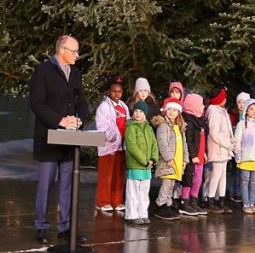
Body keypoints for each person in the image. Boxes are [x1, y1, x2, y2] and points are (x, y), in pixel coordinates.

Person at [29, 35, 88, 245]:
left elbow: (82, 102)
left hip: (69, 140)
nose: (77, 55)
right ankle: (41, 227)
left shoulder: (76, 74)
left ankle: (65, 227)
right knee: (45, 184)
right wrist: (60, 120)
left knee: (67, 185)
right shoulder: (43, 71)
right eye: (74, 51)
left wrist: (79, 119)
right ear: (62, 50)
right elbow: (37, 104)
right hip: (48, 138)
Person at [94, 78, 128, 212]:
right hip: (109, 147)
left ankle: (117, 201)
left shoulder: (124, 106)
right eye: (114, 91)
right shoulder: (104, 107)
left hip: (122, 146)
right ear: (109, 92)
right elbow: (102, 126)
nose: (116, 94)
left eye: (119, 92)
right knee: (106, 175)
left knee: (118, 176)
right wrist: (113, 137)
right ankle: (103, 202)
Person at [153, 99, 187, 220]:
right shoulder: (163, 126)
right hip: (168, 162)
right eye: (169, 109)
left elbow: (184, 145)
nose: (172, 112)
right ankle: (160, 204)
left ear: (178, 112)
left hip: (177, 162)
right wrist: (168, 158)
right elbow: (162, 143)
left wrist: (185, 160)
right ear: (165, 110)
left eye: (175, 110)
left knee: (171, 185)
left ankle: (167, 205)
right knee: (166, 185)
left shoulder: (178, 127)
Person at [125, 101, 158, 225]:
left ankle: (143, 214)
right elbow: (132, 146)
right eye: (136, 111)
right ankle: (132, 215)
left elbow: (155, 144)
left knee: (144, 192)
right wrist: (145, 161)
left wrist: (153, 159)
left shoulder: (149, 128)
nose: (137, 113)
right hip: (136, 165)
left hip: (147, 167)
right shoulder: (131, 128)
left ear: (145, 114)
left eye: (141, 111)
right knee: (133, 191)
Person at [233, 99, 255, 214]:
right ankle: (246, 204)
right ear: (246, 110)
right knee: (244, 181)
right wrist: (238, 155)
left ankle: (252, 204)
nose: (254, 111)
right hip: (245, 158)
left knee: (254, 182)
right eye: (251, 109)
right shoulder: (241, 124)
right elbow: (237, 141)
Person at [204, 88, 233, 214]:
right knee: (216, 174)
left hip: (224, 149)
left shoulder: (222, 111)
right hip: (218, 149)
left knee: (222, 176)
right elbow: (214, 133)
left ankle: (221, 200)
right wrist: (227, 144)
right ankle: (210, 200)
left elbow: (227, 130)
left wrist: (231, 142)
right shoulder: (214, 112)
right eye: (223, 97)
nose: (225, 99)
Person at [178, 93, 207, 217]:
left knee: (198, 179)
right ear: (193, 106)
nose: (203, 107)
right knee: (189, 178)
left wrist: (204, 153)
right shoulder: (189, 121)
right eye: (201, 105)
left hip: (200, 156)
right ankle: (184, 201)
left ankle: (193, 200)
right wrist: (193, 155)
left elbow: (201, 139)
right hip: (192, 157)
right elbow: (188, 141)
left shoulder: (200, 120)